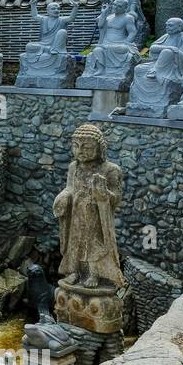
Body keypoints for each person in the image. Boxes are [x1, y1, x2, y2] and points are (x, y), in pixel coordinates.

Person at [53, 124, 124, 291]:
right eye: (76, 146)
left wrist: (104, 193)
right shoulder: (73, 167)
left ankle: (95, 273)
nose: (80, 151)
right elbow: (69, 188)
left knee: (94, 244)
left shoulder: (111, 169)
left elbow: (116, 198)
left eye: (87, 147)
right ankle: (74, 271)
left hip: (96, 215)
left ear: (99, 149)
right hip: (76, 213)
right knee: (75, 242)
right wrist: (63, 196)